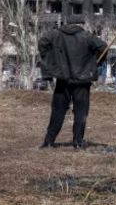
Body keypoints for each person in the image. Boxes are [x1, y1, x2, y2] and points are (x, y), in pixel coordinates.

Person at [37, 18, 107, 149]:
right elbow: (103, 47)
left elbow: (42, 43)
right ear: (80, 25)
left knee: (57, 111)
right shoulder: (87, 37)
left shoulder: (55, 34)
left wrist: (51, 62)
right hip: (82, 81)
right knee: (81, 112)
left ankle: (48, 142)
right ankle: (78, 143)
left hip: (62, 80)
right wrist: (95, 62)